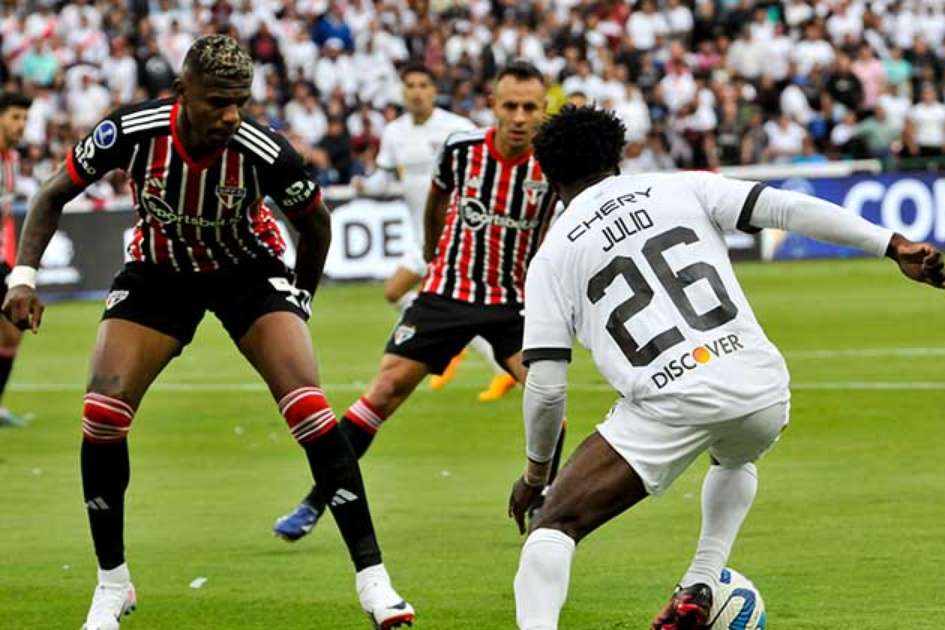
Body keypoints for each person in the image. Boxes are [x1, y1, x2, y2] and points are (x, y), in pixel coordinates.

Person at [0, 36, 414, 630]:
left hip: (248, 270)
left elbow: (316, 223)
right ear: (182, 94)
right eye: (217, 102)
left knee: (311, 412)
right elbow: (52, 195)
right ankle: (112, 584)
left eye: (239, 102)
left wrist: (299, 297)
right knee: (102, 414)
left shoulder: (263, 149)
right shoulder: (132, 131)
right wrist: (23, 277)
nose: (230, 115)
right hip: (161, 273)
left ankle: (375, 582)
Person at [507, 106, 945, 630]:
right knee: (736, 458)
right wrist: (891, 244)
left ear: (547, 175)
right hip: (761, 386)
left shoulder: (551, 257)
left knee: (554, 527)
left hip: (668, 399)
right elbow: (786, 207)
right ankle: (701, 579)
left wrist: (537, 474)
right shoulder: (682, 187)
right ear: (619, 153)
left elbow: (547, 386)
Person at [273, 61, 567, 542]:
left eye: (529, 107)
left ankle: (546, 500)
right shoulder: (462, 150)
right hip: (446, 294)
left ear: (542, 110)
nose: (518, 116)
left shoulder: (553, 163)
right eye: (509, 105)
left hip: (514, 303)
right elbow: (435, 201)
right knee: (383, 391)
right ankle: (315, 500)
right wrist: (433, 253)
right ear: (492, 106)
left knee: (548, 400)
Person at [360, 64, 517, 402]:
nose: (417, 91)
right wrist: (364, 182)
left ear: (434, 90)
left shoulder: (456, 129)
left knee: (408, 292)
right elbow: (384, 178)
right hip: (422, 236)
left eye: (423, 85)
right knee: (397, 293)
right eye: (411, 85)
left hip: (456, 237)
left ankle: (464, 353)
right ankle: (464, 351)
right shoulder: (394, 133)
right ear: (402, 92)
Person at [0, 91, 31, 428]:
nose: (21, 125)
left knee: (13, 331)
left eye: (24, 119)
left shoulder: (9, 159)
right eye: (15, 117)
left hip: (1, 261)